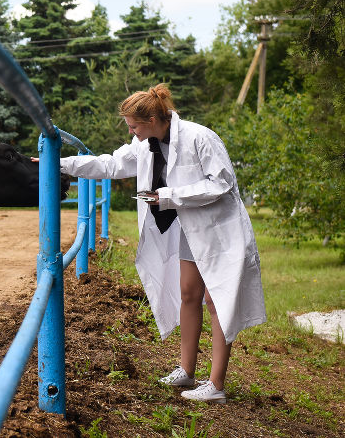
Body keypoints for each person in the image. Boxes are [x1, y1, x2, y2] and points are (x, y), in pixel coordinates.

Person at [60, 84, 266, 404]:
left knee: (216, 300)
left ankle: (216, 384)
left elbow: (222, 183)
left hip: (218, 230)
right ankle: (186, 370)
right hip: (187, 228)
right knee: (188, 294)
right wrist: (62, 165)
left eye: (134, 125)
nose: (131, 131)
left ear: (154, 118)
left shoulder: (201, 137)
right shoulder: (145, 143)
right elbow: (111, 165)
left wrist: (168, 196)